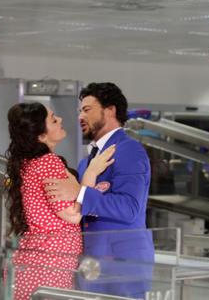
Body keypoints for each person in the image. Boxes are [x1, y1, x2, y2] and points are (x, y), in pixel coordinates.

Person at [44, 82, 154, 298]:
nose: (80, 117)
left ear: (110, 110)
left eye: (87, 110)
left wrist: (80, 192)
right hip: (92, 264)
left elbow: (130, 208)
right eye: (79, 111)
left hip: (122, 265)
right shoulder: (87, 163)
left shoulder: (129, 150)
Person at [3, 103, 114, 300]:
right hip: (48, 265)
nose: (60, 120)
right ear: (41, 136)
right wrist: (92, 172)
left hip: (34, 263)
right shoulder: (48, 162)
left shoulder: (28, 163)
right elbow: (72, 215)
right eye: (53, 119)